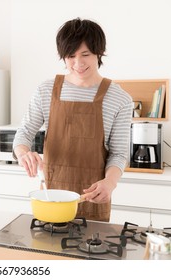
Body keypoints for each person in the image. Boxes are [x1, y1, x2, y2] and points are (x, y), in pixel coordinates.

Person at [13, 18, 133, 222]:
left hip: (94, 198)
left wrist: (110, 183)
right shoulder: (46, 91)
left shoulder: (120, 99)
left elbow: (119, 153)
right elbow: (23, 134)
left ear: (99, 52)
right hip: (52, 200)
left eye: (85, 54)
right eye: (70, 56)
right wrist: (23, 154)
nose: (78, 64)